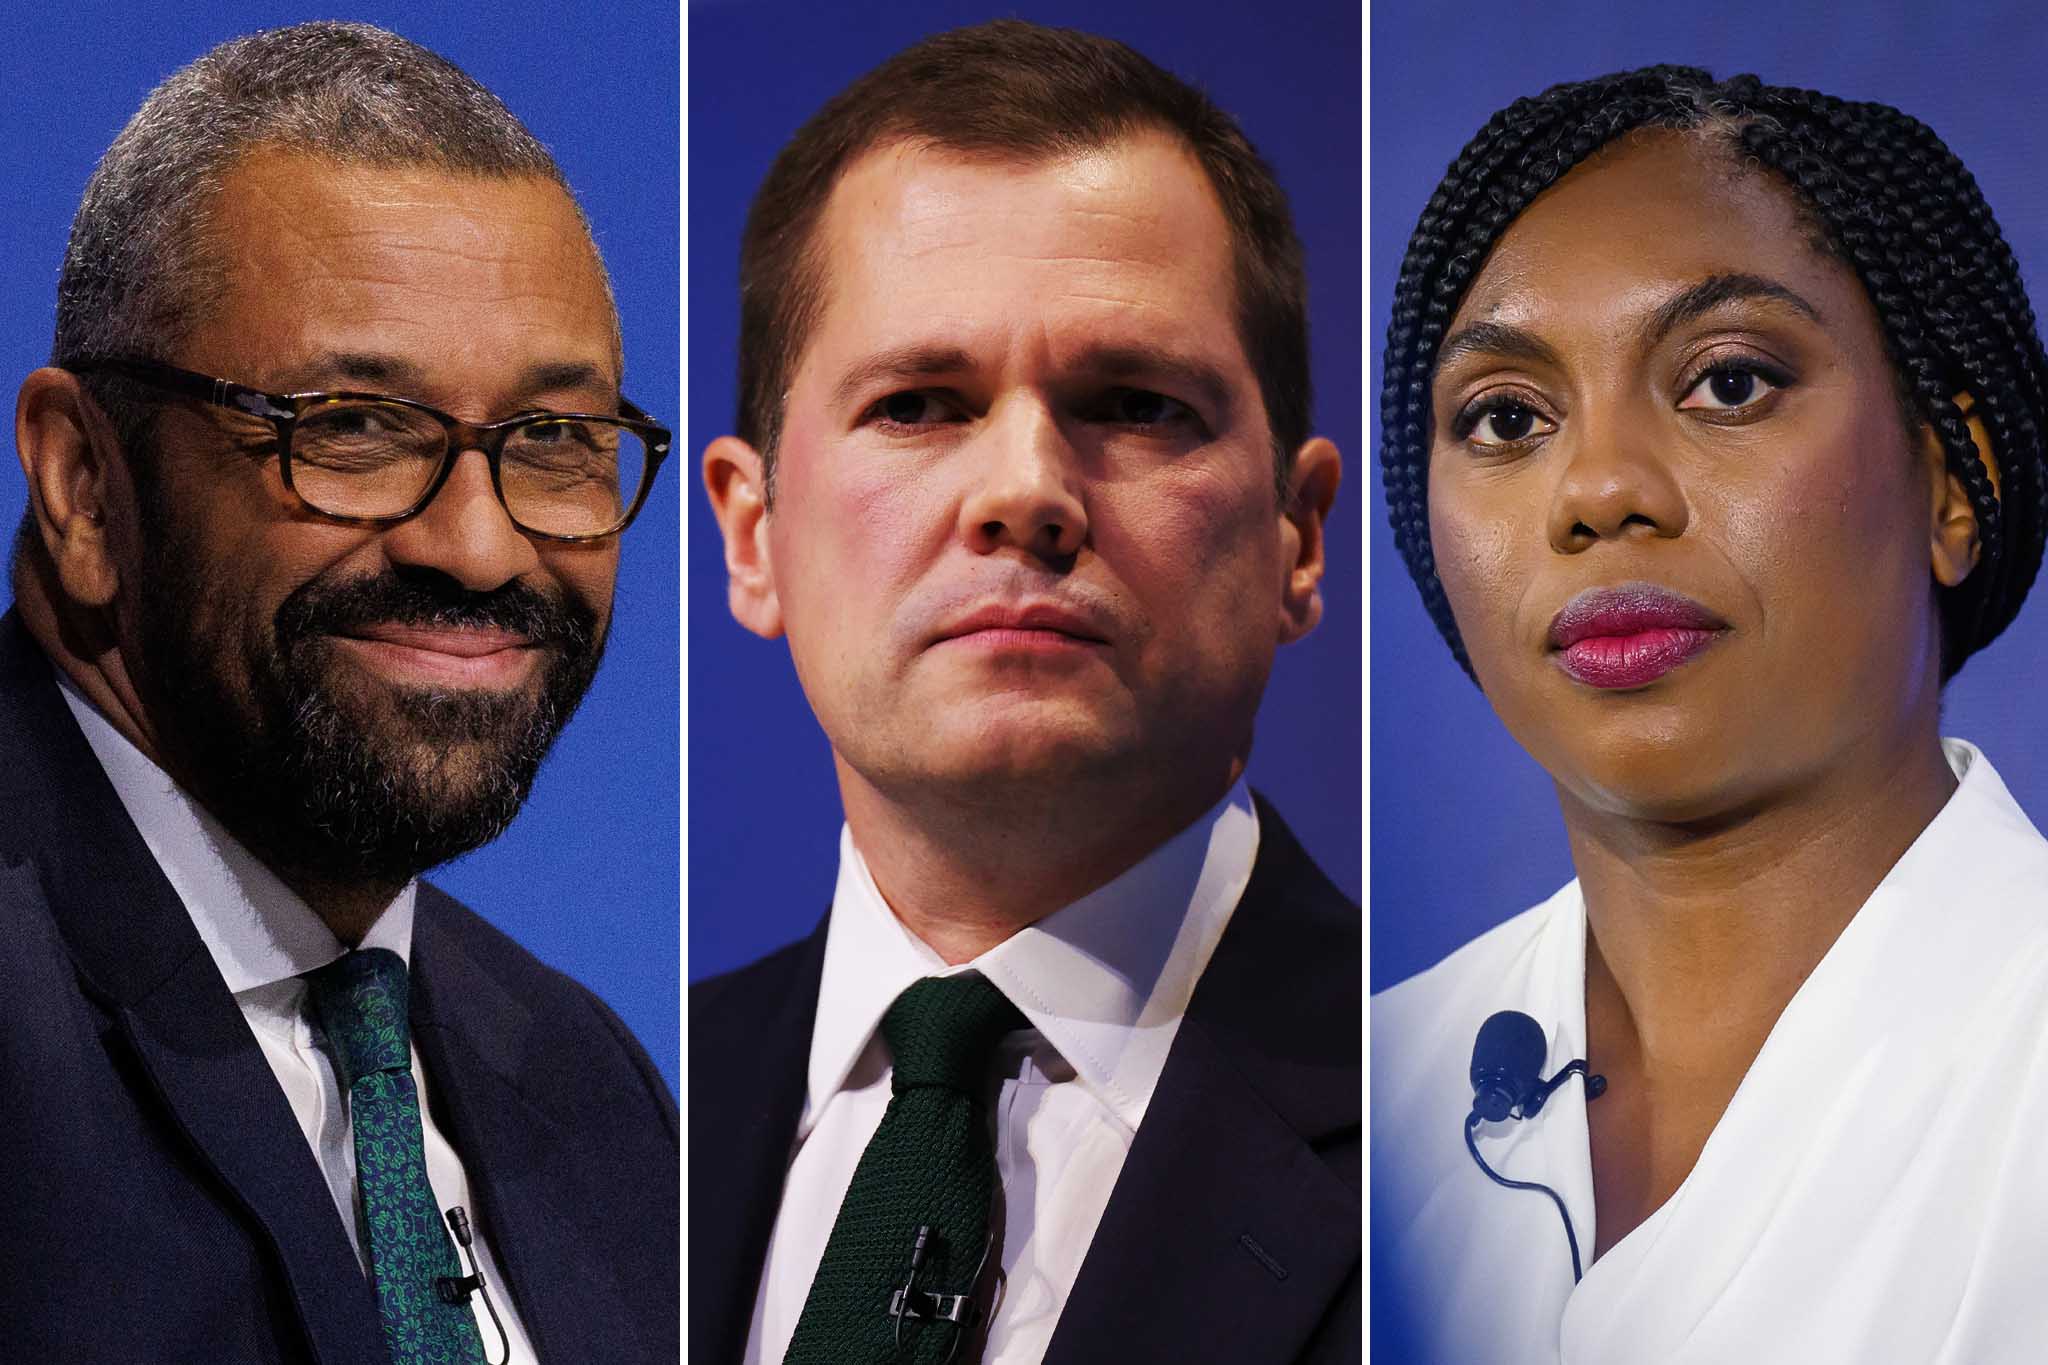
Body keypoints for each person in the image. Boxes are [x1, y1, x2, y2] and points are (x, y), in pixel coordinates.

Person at [0, 23, 678, 1363]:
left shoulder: (596, 1086)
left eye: (553, 441)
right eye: (353, 426)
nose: (478, 547)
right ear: (84, 484)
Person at [694, 20, 1357, 1365]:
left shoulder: (1462, 1140)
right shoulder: (618, 1123)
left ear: (1297, 535)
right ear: (754, 533)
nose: (1025, 492)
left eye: (1137, 403)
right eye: (922, 403)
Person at [1371, 65, 2048, 1363]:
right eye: (1507, 417)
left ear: (1953, 482)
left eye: (1727, 384)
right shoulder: (1361, 1097)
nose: (1600, 488)